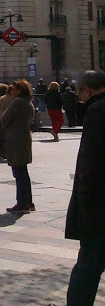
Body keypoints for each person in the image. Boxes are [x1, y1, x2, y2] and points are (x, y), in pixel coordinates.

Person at [65, 70, 105, 306]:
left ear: (85, 90)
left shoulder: (96, 111)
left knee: (88, 266)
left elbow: (90, 162)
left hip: (99, 205)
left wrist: (84, 201)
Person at [0, 79, 35, 214]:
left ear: (20, 90)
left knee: (19, 172)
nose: (11, 91)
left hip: (16, 139)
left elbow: (4, 119)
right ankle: (28, 201)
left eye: (13, 89)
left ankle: (22, 202)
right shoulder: (28, 102)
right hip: (24, 138)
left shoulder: (18, 102)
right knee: (23, 171)